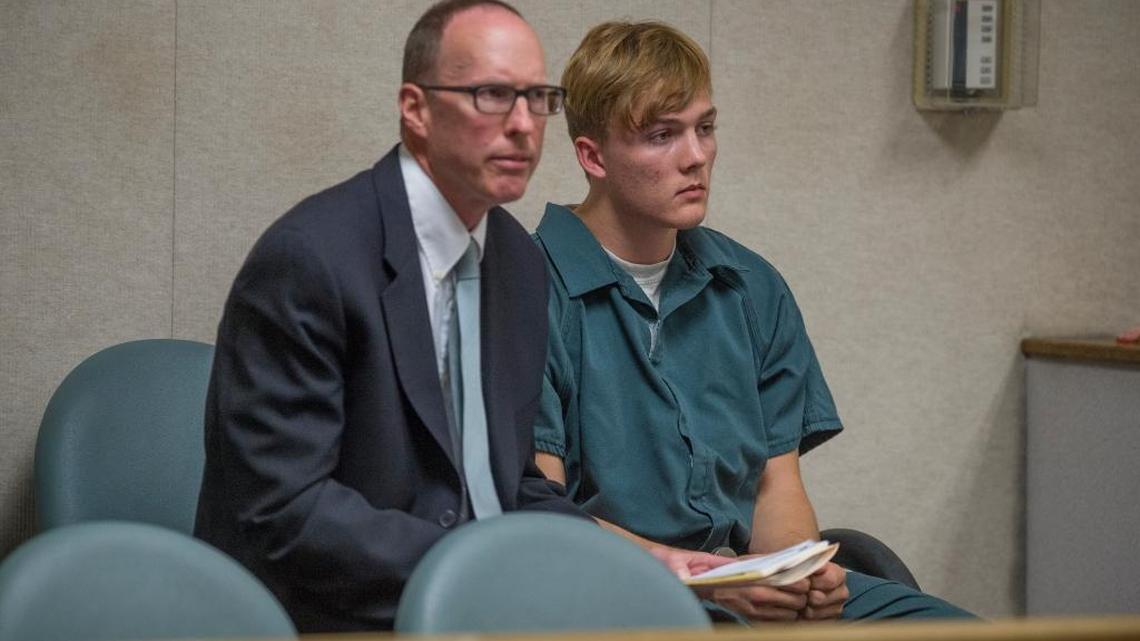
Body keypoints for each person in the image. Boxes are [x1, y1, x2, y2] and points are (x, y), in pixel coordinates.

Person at [193, 2, 729, 632]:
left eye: (537, 99)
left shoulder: (520, 264)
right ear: (416, 109)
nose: (524, 125)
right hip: (323, 616)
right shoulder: (312, 257)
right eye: (493, 96)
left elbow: (509, 485)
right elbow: (286, 512)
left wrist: (647, 562)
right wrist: (483, 571)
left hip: (479, 610)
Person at [532, 20, 975, 623]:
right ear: (593, 156)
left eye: (705, 129)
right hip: (616, 600)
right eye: (662, 135)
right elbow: (538, 515)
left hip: (740, 586)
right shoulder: (530, 290)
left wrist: (799, 577)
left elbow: (775, 486)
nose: (696, 158)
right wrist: (696, 580)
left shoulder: (748, 286)